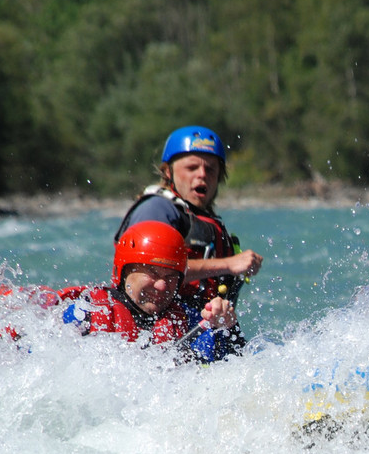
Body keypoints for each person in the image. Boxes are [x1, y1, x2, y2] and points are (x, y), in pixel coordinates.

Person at [116, 125, 262, 355]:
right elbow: (147, 270)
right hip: (164, 334)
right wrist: (229, 264)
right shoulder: (158, 209)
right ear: (168, 172)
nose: (202, 174)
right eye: (192, 167)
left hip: (202, 329)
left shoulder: (206, 220)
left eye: (211, 169)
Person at [57, 220, 239, 363]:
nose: (162, 286)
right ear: (123, 271)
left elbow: (237, 365)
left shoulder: (188, 321)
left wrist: (228, 325)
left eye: (170, 277)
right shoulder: (85, 314)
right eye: (152, 273)